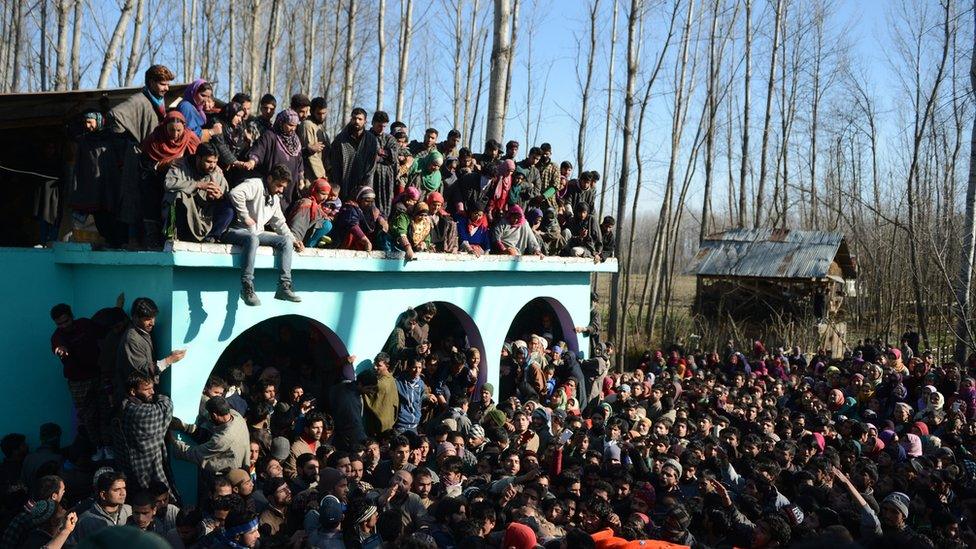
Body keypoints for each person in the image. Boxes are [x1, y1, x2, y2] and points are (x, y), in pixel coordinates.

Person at [224, 164, 304, 306]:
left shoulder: (275, 198)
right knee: (253, 239)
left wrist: (293, 240)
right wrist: (245, 217)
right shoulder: (255, 184)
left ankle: (284, 286)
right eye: (278, 185)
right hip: (235, 230)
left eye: (283, 187)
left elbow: (279, 223)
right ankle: (247, 286)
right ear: (270, 179)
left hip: (256, 232)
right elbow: (235, 193)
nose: (281, 190)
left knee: (285, 241)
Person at [49, 302, 107, 456]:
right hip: (78, 382)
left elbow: (104, 329)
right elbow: (58, 345)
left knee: (104, 409)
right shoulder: (57, 336)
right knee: (88, 416)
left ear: (72, 317)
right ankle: (98, 447)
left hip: (97, 375)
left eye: (66, 321)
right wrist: (60, 350)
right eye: (59, 323)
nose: (64, 325)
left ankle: (107, 445)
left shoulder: (85, 324)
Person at [139, 110, 201, 247]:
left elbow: (198, 159)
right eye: (171, 130)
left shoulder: (189, 138)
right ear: (165, 127)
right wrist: (163, 165)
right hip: (156, 180)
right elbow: (145, 164)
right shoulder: (155, 139)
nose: (175, 134)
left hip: (181, 180)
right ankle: (153, 238)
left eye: (178, 130)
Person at [115, 297, 186, 403]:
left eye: (153, 318)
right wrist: (169, 360)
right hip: (134, 398)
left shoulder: (143, 331)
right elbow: (142, 370)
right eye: (147, 319)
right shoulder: (132, 338)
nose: (152, 323)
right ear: (135, 318)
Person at [114, 373, 173, 492]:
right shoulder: (139, 412)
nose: (152, 392)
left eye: (152, 388)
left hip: (130, 467)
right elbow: (166, 406)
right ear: (133, 392)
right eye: (147, 389)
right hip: (146, 468)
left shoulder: (123, 404)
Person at [163, 142, 232, 243]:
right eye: (208, 162)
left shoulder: (216, 173)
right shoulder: (180, 165)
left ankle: (211, 238)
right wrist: (197, 185)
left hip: (205, 215)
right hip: (186, 214)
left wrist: (219, 197)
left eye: (215, 162)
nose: (212, 165)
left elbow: (226, 193)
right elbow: (169, 183)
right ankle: (171, 235)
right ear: (198, 158)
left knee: (228, 208)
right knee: (178, 195)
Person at [170, 396, 251, 476]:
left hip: (230, 475)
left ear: (214, 415)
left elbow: (195, 454)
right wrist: (184, 426)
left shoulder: (222, 439)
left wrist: (173, 442)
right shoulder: (236, 416)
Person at [246, 109, 304, 213]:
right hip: (274, 183)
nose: (293, 129)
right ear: (281, 122)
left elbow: (299, 163)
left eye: (295, 126)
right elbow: (259, 150)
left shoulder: (296, 141)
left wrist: (300, 179)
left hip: (289, 187)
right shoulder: (270, 136)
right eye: (290, 125)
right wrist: (252, 161)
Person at [329, 108, 379, 200]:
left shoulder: (371, 140)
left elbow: (371, 166)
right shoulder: (340, 139)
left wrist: (365, 187)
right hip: (343, 184)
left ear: (365, 121)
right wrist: (337, 186)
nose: (356, 121)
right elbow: (335, 164)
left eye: (360, 119)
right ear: (351, 119)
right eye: (354, 118)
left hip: (363, 183)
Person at [70, 471, 131, 543]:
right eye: (116, 490)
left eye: (124, 488)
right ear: (103, 495)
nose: (123, 493)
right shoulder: (86, 521)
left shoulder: (129, 511)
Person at [210, 101, 256, 185]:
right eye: (237, 116)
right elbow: (220, 145)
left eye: (241, 117)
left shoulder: (239, 129)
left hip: (233, 170)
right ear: (230, 113)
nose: (239, 119)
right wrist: (234, 161)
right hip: (216, 167)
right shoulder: (217, 124)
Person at [331, 186, 388, 251]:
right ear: (359, 199)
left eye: (372, 201)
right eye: (367, 201)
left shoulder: (371, 210)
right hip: (347, 244)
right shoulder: (349, 208)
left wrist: (381, 219)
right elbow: (352, 224)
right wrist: (366, 241)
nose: (370, 204)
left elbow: (381, 216)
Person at [359, 352, 400, 436]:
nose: (375, 367)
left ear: (387, 366)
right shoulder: (391, 379)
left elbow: (365, 393)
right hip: (388, 423)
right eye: (375, 364)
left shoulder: (380, 383)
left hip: (380, 426)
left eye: (379, 365)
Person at [287, 178, 335, 248]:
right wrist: (295, 241)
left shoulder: (318, 206)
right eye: (323, 194)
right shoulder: (306, 204)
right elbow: (297, 225)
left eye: (327, 195)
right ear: (314, 191)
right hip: (299, 243)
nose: (325, 197)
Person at [369, 111, 399, 217]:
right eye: (379, 125)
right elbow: (369, 156)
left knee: (387, 205)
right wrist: (384, 155)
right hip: (371, 176)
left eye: (384, 126)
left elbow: (394, 157)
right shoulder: (366, 137)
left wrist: (380, 153)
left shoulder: (390, 138)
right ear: (373, 123)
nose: (382, 129)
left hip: (387, 178)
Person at [300, 97, 331, 187]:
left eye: (324, 113)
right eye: (318, 113)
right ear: (312, 111)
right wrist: (322, 176)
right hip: (312, 178)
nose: (321, 116)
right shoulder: (307, 125)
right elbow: (312, 154)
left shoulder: (320, 127)